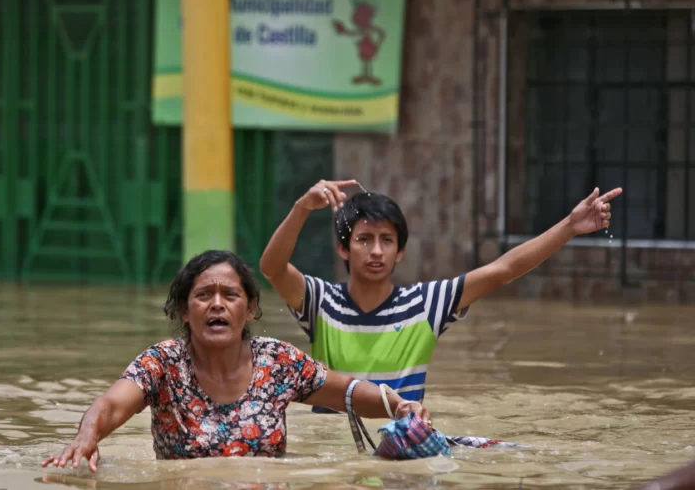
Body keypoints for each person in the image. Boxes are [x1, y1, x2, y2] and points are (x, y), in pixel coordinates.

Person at [41, 250, 431, 472]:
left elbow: (343, 389)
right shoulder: (163, 363)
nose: (217, 304)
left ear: (251, 308)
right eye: (203, 295)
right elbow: (110, 404)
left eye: (230, 295)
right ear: (183, 310)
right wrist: (86, 436)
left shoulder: (277, 361)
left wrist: (397, 404)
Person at [259, 180, 622, 411]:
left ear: (400, 252)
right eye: (364, 239)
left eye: (387, 241)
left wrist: (570, 226)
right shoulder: (321, 301)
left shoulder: (426, 304)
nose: (376, 251)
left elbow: (503, 270)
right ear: (343, 249)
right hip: (331, 452)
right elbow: (272, 269)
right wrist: (302, 208)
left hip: (404, 443)